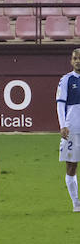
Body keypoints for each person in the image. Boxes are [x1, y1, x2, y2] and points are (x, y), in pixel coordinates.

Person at [55, 48, 80, 212]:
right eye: (75, 58)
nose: (78, 61)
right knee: (71, 167)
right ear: (71, 61)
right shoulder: (66, 80)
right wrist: (63, 125)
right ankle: (76, 202)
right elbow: (60, 103)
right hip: (73, 128)